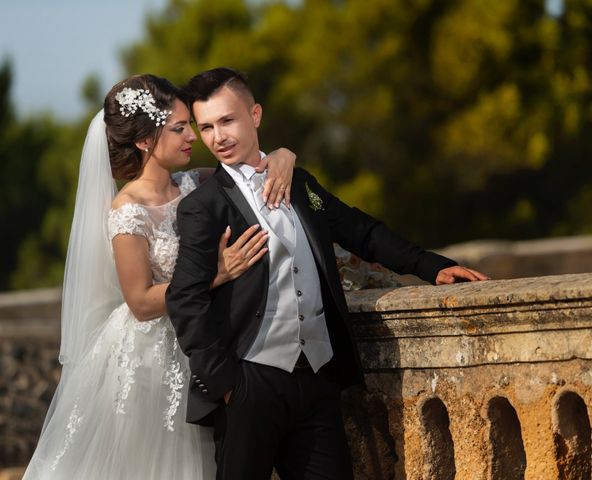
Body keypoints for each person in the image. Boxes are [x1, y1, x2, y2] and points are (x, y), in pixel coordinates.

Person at [165, 67, 488, 479]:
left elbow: (361, 231)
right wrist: (227, 384)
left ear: (256, 115)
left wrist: (433, 266)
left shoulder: (298, 183)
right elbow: (183, 298)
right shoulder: (202, 206)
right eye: (206, 126)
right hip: (249, 384)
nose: (217, 137)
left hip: (317, 379)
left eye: (227, 121)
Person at [22, 74, 296, 479]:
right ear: (145, 140)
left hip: (204, 340)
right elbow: (140, 302)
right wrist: (214, 275)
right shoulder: (127, 211)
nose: (193, 136)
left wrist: (285, 154)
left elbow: (254, 165)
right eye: (180, 128)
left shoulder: (196, 183)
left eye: (190, 125)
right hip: (150, 359)